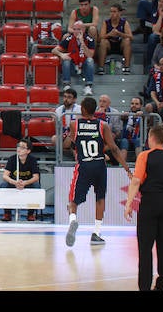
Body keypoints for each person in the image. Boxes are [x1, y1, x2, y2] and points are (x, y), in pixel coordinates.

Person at [63, 96, 132, 246]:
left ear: (82, 109)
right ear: (95, 110)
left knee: (73, 201)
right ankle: (96, 233)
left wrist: (71, 137)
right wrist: (126, 167)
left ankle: (73, 220)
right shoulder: (103, 125)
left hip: (84, 165)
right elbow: (113, 148)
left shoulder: (75, 124)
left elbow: (67, 144)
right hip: (100, 165)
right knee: (100, 199)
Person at [124, 124, 163, 291]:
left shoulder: (144, 156)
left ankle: (145, 287)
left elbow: (136, 181)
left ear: (151, 138)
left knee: (145, 247)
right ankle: (162, 285)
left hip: (149, 203)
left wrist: (128, 204)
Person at [0, 137, 41, 222]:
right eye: (18, 146)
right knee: (3, 185)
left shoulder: (32, 160)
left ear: (28, 151)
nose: (19, 149)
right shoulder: (12, 159)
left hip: (27, 182)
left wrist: (25, 183)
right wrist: (14, 182)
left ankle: (31, 214)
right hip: (14, 182)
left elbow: (36, 177)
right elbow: (5, 176)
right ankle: (7, 213)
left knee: (36, 186)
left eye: (22, 147)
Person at [53, 20, 96, 96]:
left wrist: (82, 43)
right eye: (74, 29)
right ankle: (67, 85)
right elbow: (54, 50)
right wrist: (61, 55)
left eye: (78, 29)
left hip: (84, 68)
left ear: (83, 30)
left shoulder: (90, 39)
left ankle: (88, 86)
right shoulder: (69, 39)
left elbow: (90, 55)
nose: (76, 31)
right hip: (73, 67)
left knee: (90, 60)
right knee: (66, 60)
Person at [96, 4, 133, 75]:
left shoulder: (124, 22)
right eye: (111, 12)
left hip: (120, 44)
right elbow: (100, 38)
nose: (112, 14)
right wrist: (109, 34)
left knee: (127, 41)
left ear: (119, 13)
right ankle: (101, 67)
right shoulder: (106, 22)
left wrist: (119, 34)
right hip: (109, 45)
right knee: (103, 42)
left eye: (114, 12)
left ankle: (127, 67)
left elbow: (131, 37)